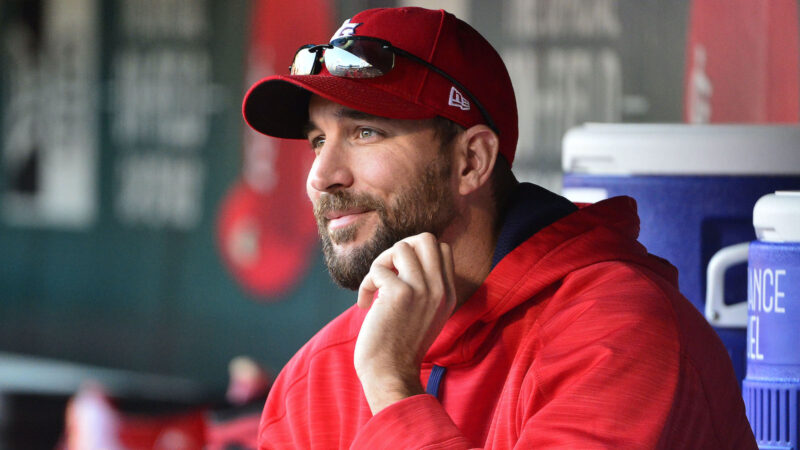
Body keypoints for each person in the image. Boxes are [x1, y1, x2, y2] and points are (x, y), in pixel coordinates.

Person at [242, 7, 756, 449]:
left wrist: (393, 388)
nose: (321, 176)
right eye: (316, 140)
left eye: (365, 132)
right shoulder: (318, 376)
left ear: (471, 161)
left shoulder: (619, 334)